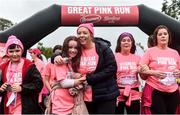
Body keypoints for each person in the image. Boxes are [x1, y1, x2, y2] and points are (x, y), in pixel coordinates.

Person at [55, 23, 119, 114]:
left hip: (105, 95)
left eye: (85, 33)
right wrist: (56, 57)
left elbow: (112, 68)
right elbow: (66, 53)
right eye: (79, 33)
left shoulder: (103, 48)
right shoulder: (77, 49)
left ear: (91, 34)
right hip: (84, 96)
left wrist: (88, 78)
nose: (81, 35)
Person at [139, 25, 180, 114]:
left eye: (165, 34)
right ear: (156, 38)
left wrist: (179, 73)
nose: (163, 36)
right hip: (155, 90)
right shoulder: (150, 51)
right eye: (160, 34)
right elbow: (140, 68)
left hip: (173, 90)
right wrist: (154, 72)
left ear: (168, 37)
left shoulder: (175, 53)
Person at [0, 35, 43, 114]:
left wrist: (22, 88)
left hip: (25, 106)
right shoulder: (2, 67)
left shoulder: (29, 65)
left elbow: (39, 84)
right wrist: (1, 88)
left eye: (17, 50)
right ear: (7, 52)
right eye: (11, 51)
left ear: (22, 50)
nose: (14, 54)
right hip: (7, 106)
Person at [51, 36, 86, 114]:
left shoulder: (70, 62)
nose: (73, 50)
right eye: (70, 47)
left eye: (76, 48)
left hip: (71, 103)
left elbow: (69, 74)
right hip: (60, 105)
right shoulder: (60, 62)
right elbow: (63, 83)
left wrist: (76, 75)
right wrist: (81, 80)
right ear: (66, 48)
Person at [114, 32, 141, 114]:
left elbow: (143, 73)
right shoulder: (114, 57)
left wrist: (140, 69)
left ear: (132, 43)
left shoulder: (138, 58)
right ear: (119, 43)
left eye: (129, 40)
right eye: (123, 40)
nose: (126, 42)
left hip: (134, 93)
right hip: (118, 93)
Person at [29, 48, 47, 112]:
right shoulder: (34, 61)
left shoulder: (39, 62)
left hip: (40, 84)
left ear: (35, 54)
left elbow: (36, 74)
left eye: (31, 53)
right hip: (37, 84)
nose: (30, 54)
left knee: (39, 104)